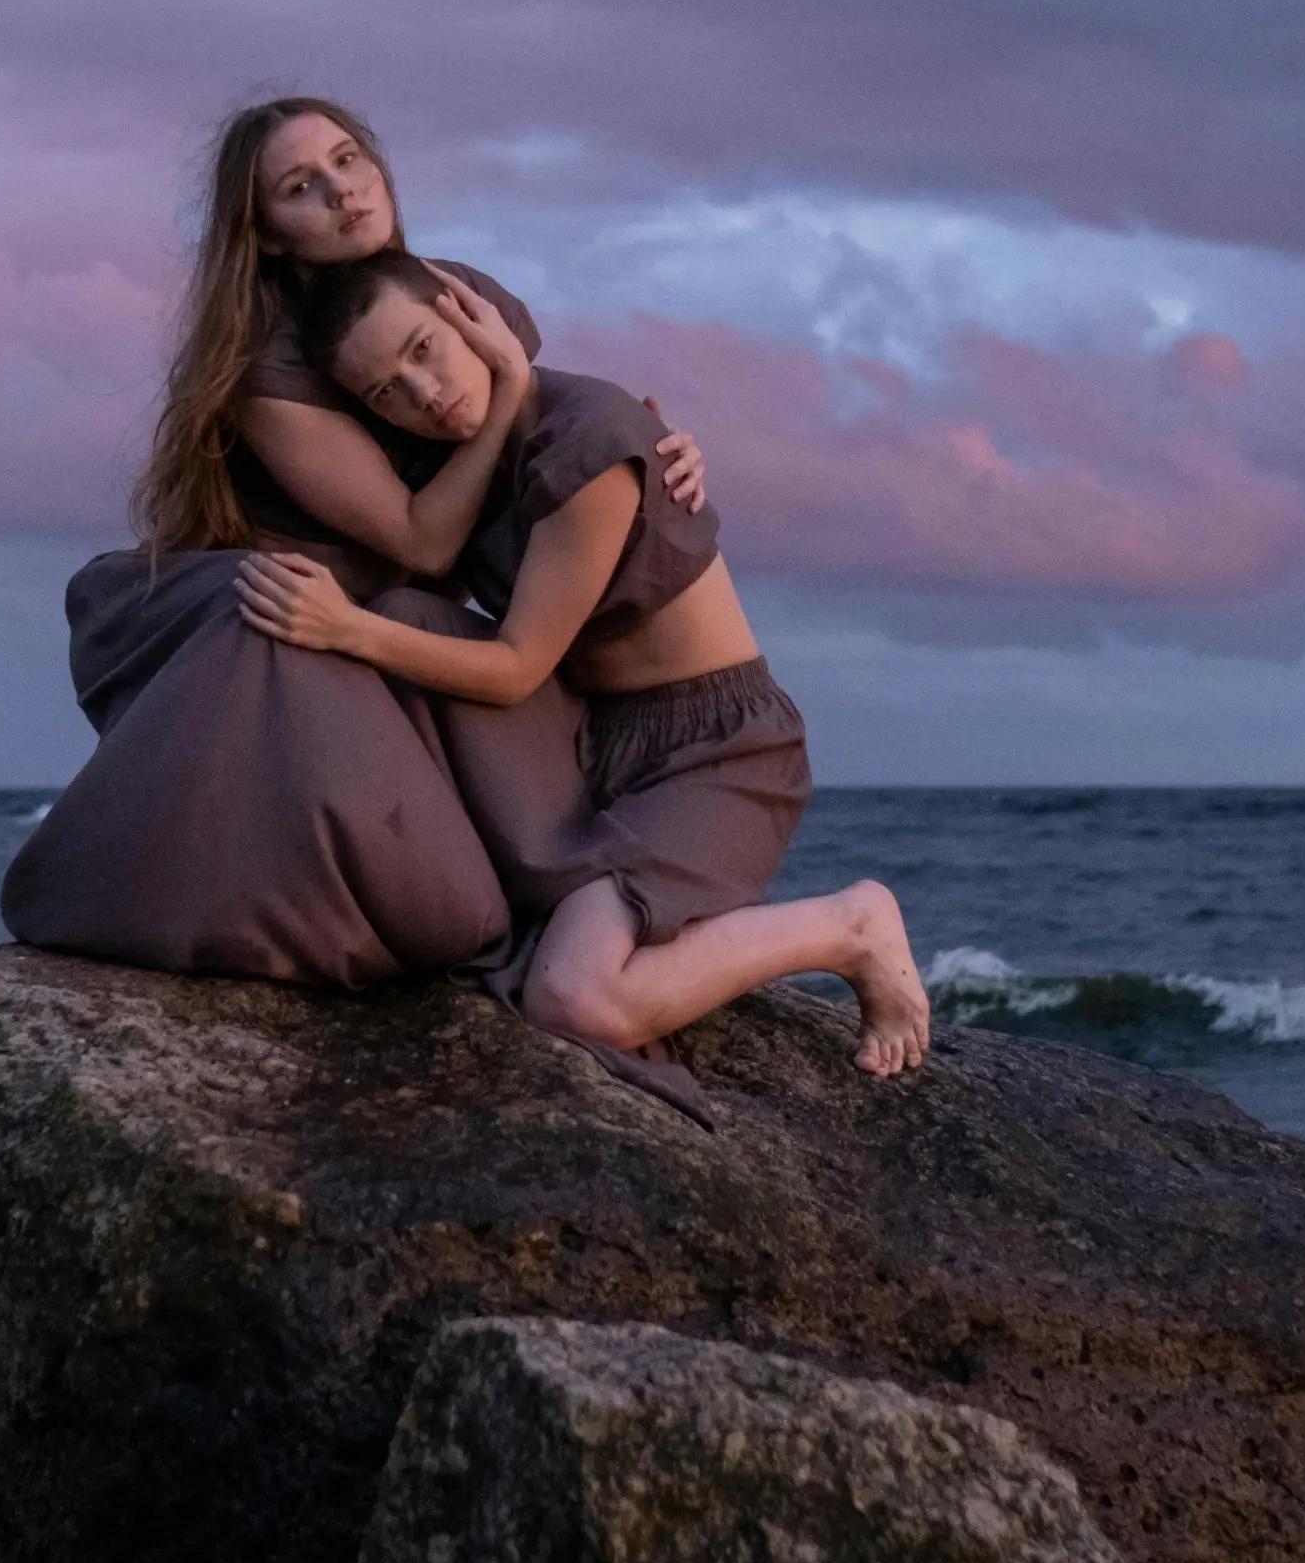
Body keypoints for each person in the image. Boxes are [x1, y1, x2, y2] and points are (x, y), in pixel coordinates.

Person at [0, 99, 702, 985]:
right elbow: (427, 539)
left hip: (386, 631)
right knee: (453, 916)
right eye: (302, 187)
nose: (342, 192)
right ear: (270, 237)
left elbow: (546, 431)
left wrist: (643, 444)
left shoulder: (451, 290)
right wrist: (512, 388)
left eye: (348, 159)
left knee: (503, 890)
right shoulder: (267, 370)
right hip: (286, 619)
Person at [234, 247, 932, 1086]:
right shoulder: (453, 464)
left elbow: (515, 667)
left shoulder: (590, 445)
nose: (424, 394)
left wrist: (344, 628)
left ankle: (850, 924)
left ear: (467, 314)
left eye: (423, 348)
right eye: (388, 390)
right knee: (408, 618)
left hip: (715, 753)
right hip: (587, 739)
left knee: (573, 1000)